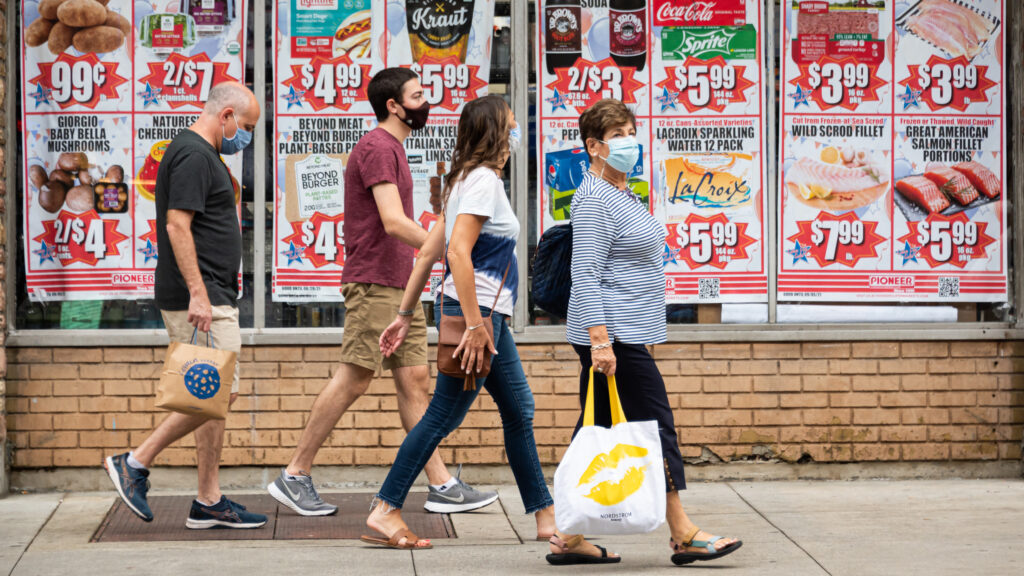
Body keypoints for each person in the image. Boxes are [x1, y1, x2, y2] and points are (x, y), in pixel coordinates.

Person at [267, 68, 495, 516]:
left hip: (397, 283)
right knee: (356, 375)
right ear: (394, 106)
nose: (425, 101)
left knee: (414, 381)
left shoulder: (394, 149)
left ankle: (441, 484)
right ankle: (294, 473)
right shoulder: (377, 147)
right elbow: (392, 220)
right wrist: (447, 248)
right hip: (373, 281)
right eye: (417, 95)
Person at [362, 95, 578, 553]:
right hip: (477, 318)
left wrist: (404, 316)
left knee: (519, 409)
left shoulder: (466, 180)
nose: (517, 134)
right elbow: (456, 252)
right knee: (443, 414)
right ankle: (385, 508)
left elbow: (427, 253)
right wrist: (477, 325)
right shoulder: (482, 183)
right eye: (513, 126)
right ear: (496, 132)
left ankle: (545, 515)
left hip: (482, 317)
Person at [564, 98, 742, 565]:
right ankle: (683, 532)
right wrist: (601, 341)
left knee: (596, 430)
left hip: (628, 333)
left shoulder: (624, 192)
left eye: (630, 131)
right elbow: (585, 274)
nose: (628, 141)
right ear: (594, 146)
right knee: (655, 430)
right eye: (617, 135)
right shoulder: (594, 199)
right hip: (613, 338)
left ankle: (567, 536)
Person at [102, 81, 266, 529]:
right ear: (226, 115)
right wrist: (199, 293)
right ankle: (135, 463)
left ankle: (208, 500)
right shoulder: (194, 154)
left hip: (212, 292)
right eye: (246, 126)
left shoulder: (198, 152)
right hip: (203, 294)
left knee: (210, 394)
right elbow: (178, 226)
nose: (245, 137)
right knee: (218, 390)